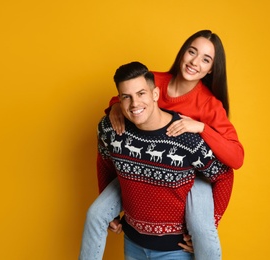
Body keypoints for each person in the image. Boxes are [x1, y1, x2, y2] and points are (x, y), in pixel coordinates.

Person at [80, 30, 244, 260]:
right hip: (144, 170)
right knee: (95, 214)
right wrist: (115, 105)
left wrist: (202, 128)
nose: (195, 62)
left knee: (201, 230)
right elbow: (131, 95)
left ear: (211, 69)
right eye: (192, 52)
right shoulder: (155, 80)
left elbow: (236, 159)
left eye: (206, 59)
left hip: (191, 176)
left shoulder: (209, 105)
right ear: (182, 53)